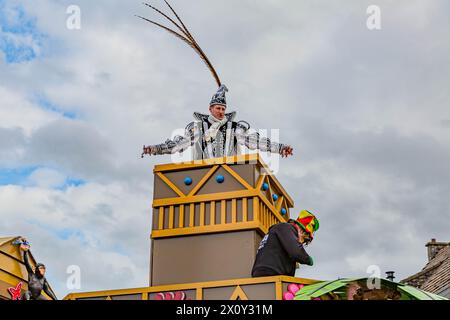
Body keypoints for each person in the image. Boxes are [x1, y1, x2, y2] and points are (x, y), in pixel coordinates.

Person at [142, 85, 294, 160]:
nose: (221, 111)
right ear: (210, 109)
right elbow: (178, 144)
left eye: (223, 108)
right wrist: (155, 149)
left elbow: (254, 141)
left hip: (229, 175)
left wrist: (280, 148)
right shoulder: (198, 128)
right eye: (218, 108)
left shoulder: (235, 128)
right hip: (202, 176)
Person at [252, 210, 319, 277]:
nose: (303, 241)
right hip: (271, 273)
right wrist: (308, 260)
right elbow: (296, 252)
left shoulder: (283, 231)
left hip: (267, 273)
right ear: (302, 230)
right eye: (305, 238)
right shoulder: (287, 228)